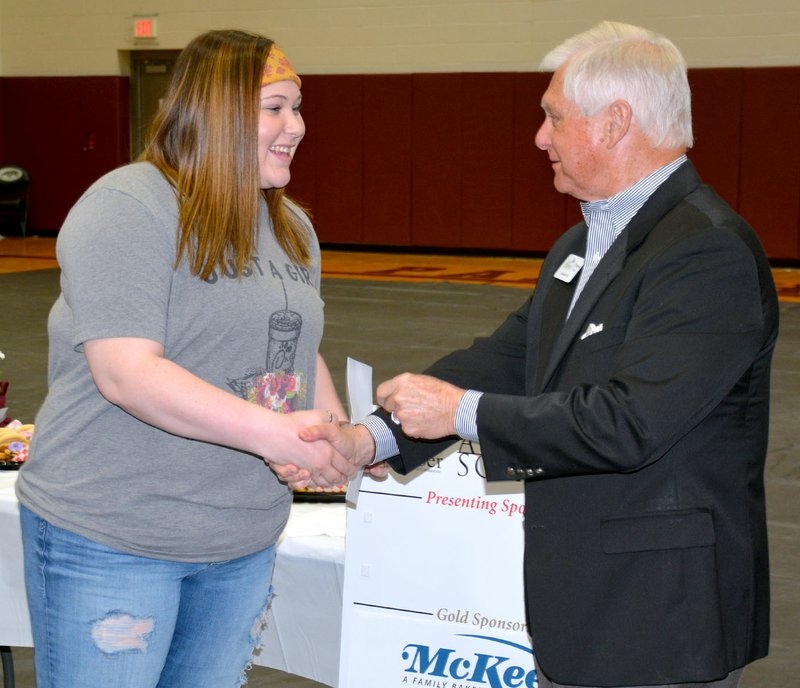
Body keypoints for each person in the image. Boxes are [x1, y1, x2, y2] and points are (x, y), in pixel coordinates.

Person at [295, 20, 778, 688]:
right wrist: (369, 438)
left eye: (553, 117)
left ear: (614, 122)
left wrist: (461, 412)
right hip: (585, 606)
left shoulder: (706, 253)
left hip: (659, 618)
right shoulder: (580, 245)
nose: (539, 137)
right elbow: (506, 359)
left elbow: (631, 422)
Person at [16, 29, 351, 687]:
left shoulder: (291, 227)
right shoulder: (129, 205)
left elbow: (294, 349)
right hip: (114, 539)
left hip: (239, 544)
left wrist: (326, 431)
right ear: (218, 112)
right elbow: (127, 373)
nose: (298, 126)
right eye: (276, 108)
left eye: (299, 106)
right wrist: (274, 432)